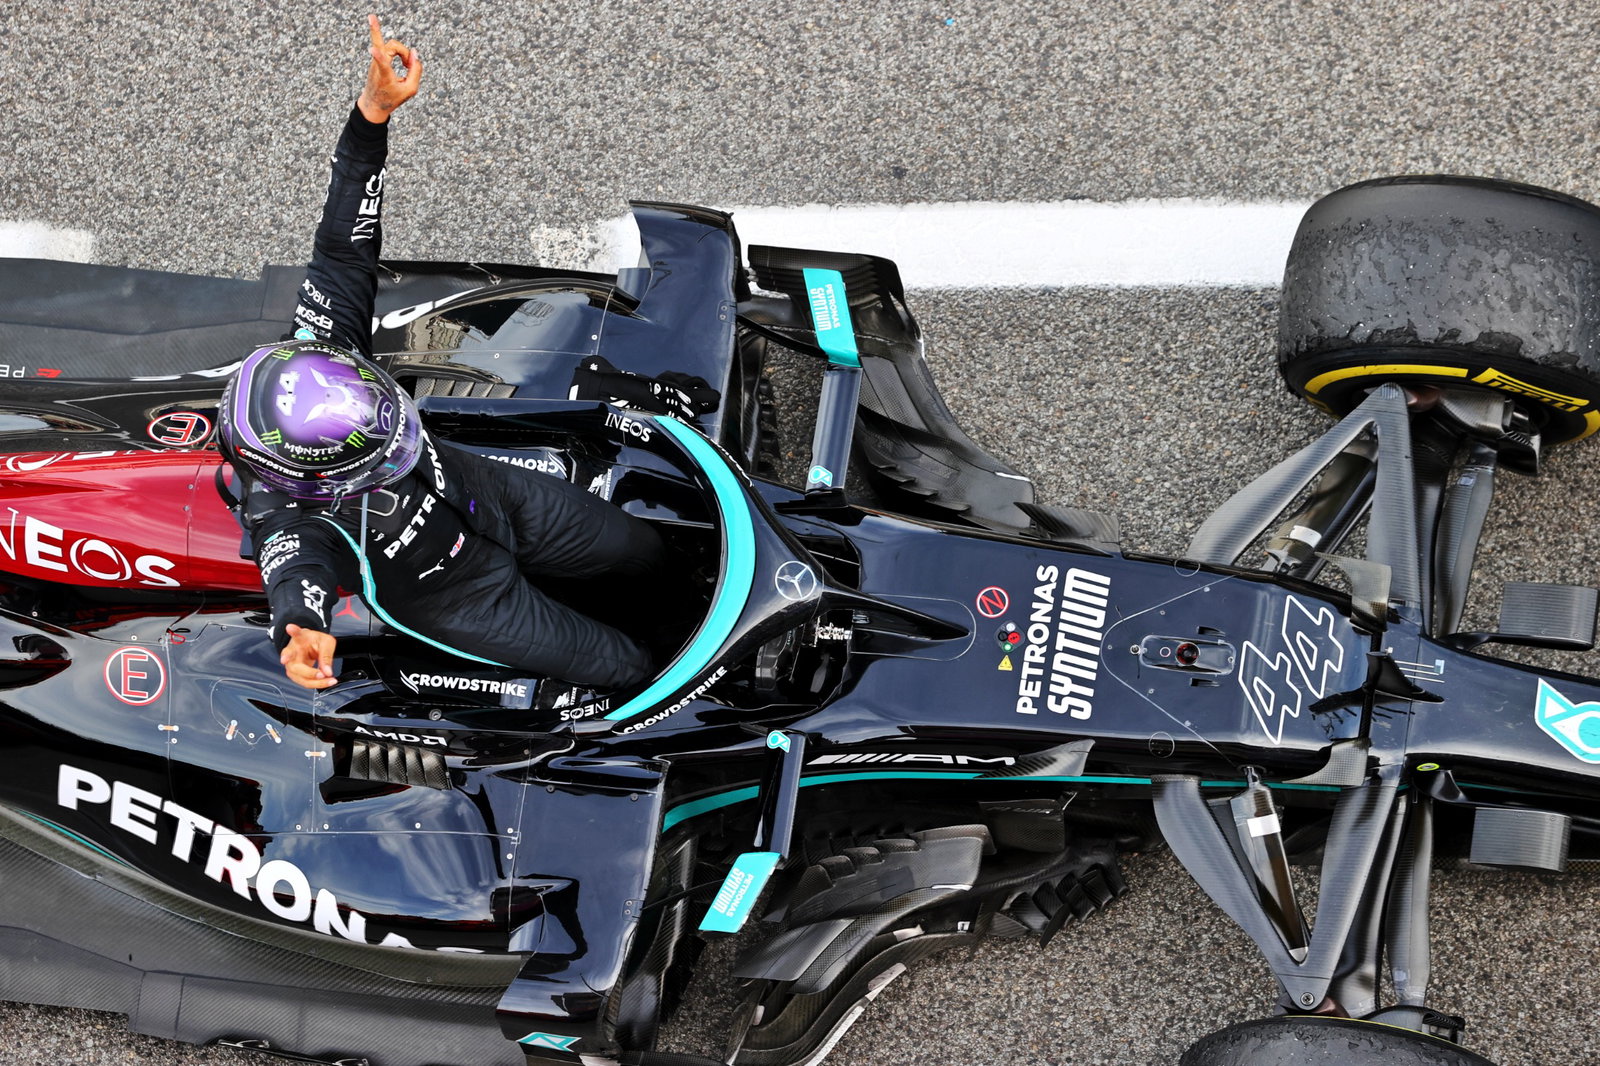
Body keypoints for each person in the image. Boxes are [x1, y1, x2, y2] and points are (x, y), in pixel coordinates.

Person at [217, 15, 663, 692]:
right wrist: (298, 632)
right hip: (458, 598)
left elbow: (342, 248)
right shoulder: (284, 513)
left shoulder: (321, 349)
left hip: (492, 495)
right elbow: (294, 575)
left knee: (645, 552)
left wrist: (370, 119)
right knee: (627, 667)